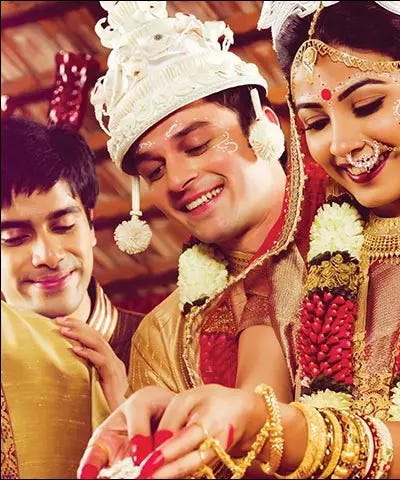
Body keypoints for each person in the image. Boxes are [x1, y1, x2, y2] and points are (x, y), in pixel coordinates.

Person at [77, 2, 400, 478]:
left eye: (368, 104)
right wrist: (178, 426)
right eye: (316, 122)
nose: (342, 143)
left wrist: (275, 427)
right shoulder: (290, 263)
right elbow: (252, 431)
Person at [78, 1, 309, 475]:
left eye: (198, 145)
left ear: (264, 125)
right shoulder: (164, 335)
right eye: (154, 170)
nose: (179, 178)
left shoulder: (378, 238)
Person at [0, 117, 143, 477]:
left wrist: (127, 409)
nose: (48, 256)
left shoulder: (161, 344)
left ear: (91, 225)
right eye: (14, 238)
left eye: (63, 226)